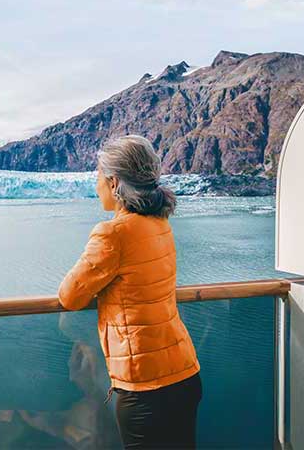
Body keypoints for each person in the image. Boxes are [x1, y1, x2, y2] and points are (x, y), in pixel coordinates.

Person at [58, 134, 203, 449]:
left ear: (113, 183)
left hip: (144, 386)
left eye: (98, 176)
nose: (95, 185)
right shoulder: (160, 224)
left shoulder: (112, 235)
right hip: (184, 371)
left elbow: (69, 296)